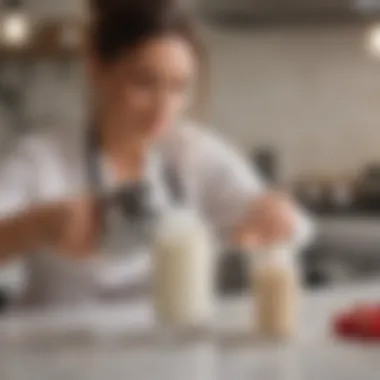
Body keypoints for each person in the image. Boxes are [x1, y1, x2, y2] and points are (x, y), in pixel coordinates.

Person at [0, 0, 312, 309]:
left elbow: (292, 225)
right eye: (144, 82)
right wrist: (35, 227)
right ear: (97, 69)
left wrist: (274, 216)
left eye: (178, 88)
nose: (164, 108)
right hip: (51, 355)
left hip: (168, 352)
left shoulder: (193, 152)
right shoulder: (39, 160)